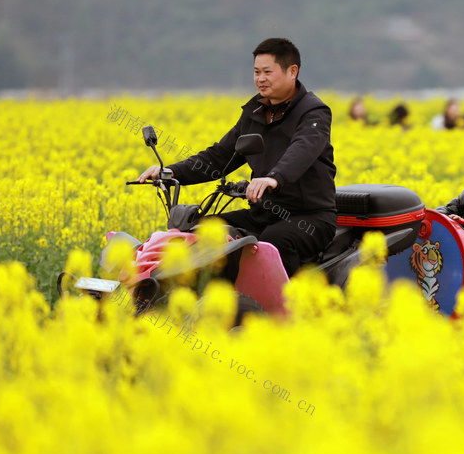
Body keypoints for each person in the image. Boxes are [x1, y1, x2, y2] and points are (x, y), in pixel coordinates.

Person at [136, 37, 336, 278]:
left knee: (274, 241)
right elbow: (218, 157)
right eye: (256, 72)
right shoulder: (255, 114)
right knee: (205, 230)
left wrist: (274, 178)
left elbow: (303, 149)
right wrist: (170, 172)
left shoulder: (314, 112)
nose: (260, 78)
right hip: (263, 213)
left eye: (267, 72)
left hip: (308, 219)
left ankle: (288, 309)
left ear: (292, 71)